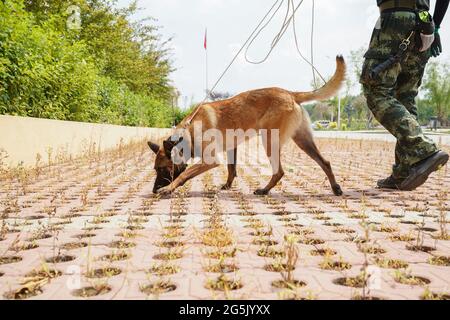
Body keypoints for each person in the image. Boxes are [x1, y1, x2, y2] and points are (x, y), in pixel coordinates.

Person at [360, 0, 450, 191]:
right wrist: (436, 27)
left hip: (395, 18)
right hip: (425, 25)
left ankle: (423, 149)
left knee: (376, 89)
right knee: (405, 98)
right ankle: (405, 171)